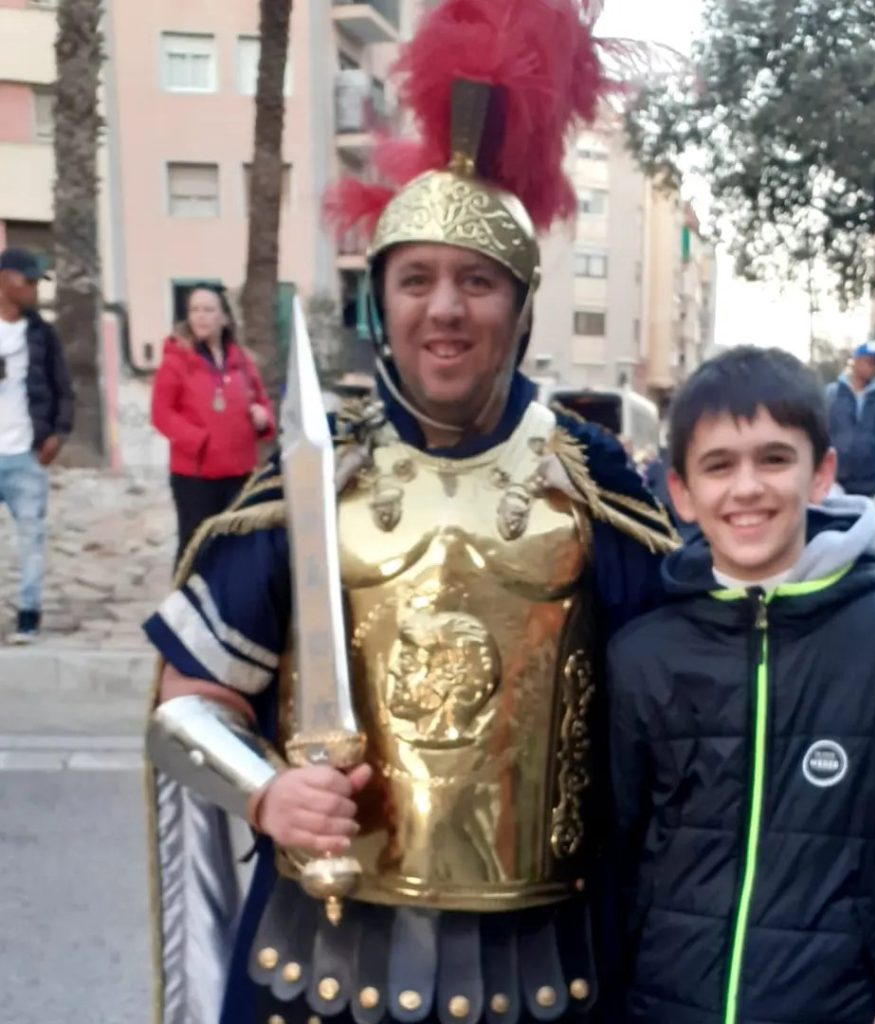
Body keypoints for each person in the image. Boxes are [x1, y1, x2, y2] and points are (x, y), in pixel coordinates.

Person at [141, 2, 678, 1021]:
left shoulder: (592, 477)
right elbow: (188, 699)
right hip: (320, 953)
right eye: (416, 280)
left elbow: (685, 700)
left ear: (520, 308)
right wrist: (265, 789)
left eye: (477, 282)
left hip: (544, 960)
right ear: (380, 302)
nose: (444, 309)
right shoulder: (316, 475)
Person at [606, 346, 875, 1024]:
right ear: (680, 491)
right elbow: (602, 872)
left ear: (822, 472)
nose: (747, 488)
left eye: (774, 459)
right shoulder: (640, 655)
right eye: (719, 465)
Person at [151, 284, 275, 564]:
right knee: (196, 549)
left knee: (235, 550)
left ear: (224, 317)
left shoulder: (241, 360)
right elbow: (162, 414)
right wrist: (199, 441)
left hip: (239, 472)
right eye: (194, 310)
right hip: (196, 476)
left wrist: (262, 417)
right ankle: (187, 593)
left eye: (208, 310)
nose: (200, 316)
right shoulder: (176, 360)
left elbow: (262, 402)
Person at [0, 248, 74, 644]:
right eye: (27, 281)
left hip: (26, 455)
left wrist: (58, 434)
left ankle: (28, 616)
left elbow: (63, 387)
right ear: (4, 281)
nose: (33, 289)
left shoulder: (42, 333)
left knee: (31, 539)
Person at [825, 338, 875, 503]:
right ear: (856, 361)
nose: (874, 368)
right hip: (834, 484)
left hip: (869, 488)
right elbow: (820, 435)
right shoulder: (832, 394)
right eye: (869, 362)